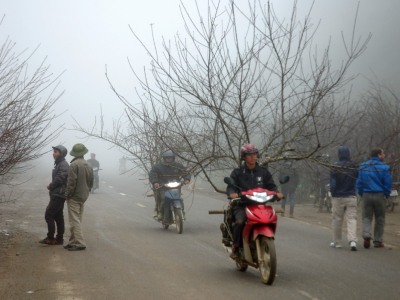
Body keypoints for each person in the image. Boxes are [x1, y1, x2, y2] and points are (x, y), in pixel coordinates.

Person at [226, 144, 283, 258]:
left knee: (269, 219)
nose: (253, 157)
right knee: (240, 222)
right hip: (242, 205)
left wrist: (277, 193)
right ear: (244, 157)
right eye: (249, 155)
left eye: (254, 154)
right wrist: (232, 193)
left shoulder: (263, 172)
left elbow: (271, 186)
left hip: (260, 205)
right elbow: (230, 186)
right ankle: (236, 247)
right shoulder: (238, 172)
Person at [356, 148, 392, 249]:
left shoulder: (363, 166)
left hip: (366, 194)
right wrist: (386, 193)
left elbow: (359, 182)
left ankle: (367, 235)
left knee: (366, 217)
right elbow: (387, 182)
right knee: (380, 218)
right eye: (383, 153)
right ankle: (378, 241)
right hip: (379, 194)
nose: (384, 155)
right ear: (379, 155)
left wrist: (361, 192)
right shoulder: (384, 167)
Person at [64, 144, 93, 251]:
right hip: (84, 195)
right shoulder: (88, 164)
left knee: (74, 220)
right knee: (77, 219)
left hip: (75, 196)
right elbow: (91, 181)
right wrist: (87, 190)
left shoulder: (74, 165)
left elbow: (71, 182)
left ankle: (80, 243)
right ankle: (72, 241)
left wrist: (67, 194)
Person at [329, 146, 358, 251]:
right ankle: (353, 241)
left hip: (338, 197)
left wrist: (333, 193)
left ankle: (337, 242)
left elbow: (333, 183)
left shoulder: (334, 166)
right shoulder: (354, 166)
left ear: (339, 154)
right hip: (351, 196)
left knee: (337, 219)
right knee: (352, 219)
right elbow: (357, 180)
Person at [39, 145, 69, 245]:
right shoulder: (60, 163)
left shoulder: (63, 164)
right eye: (54, 151)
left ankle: (50, 238)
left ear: (61, 154)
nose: (53, 153)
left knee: (49, 214)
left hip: (58, 194)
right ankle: (59, 239)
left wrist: (51, 186)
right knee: (58, 216)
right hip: (58, 194)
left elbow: (61, 178)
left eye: (56, 152)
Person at [149, 150, 191, 221]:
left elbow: (185, 173)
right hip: (163, 187)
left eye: (170, 158)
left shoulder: (178, 166)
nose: (169, 159)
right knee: (164, 199)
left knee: (179, 199)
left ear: (173, 158)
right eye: (167, 158)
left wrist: (186, 179)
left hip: (176, 186)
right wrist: (155, 182)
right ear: (164, 158)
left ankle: (181, 212)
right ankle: (160, 213)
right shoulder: (158, 167)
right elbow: (153, 175)